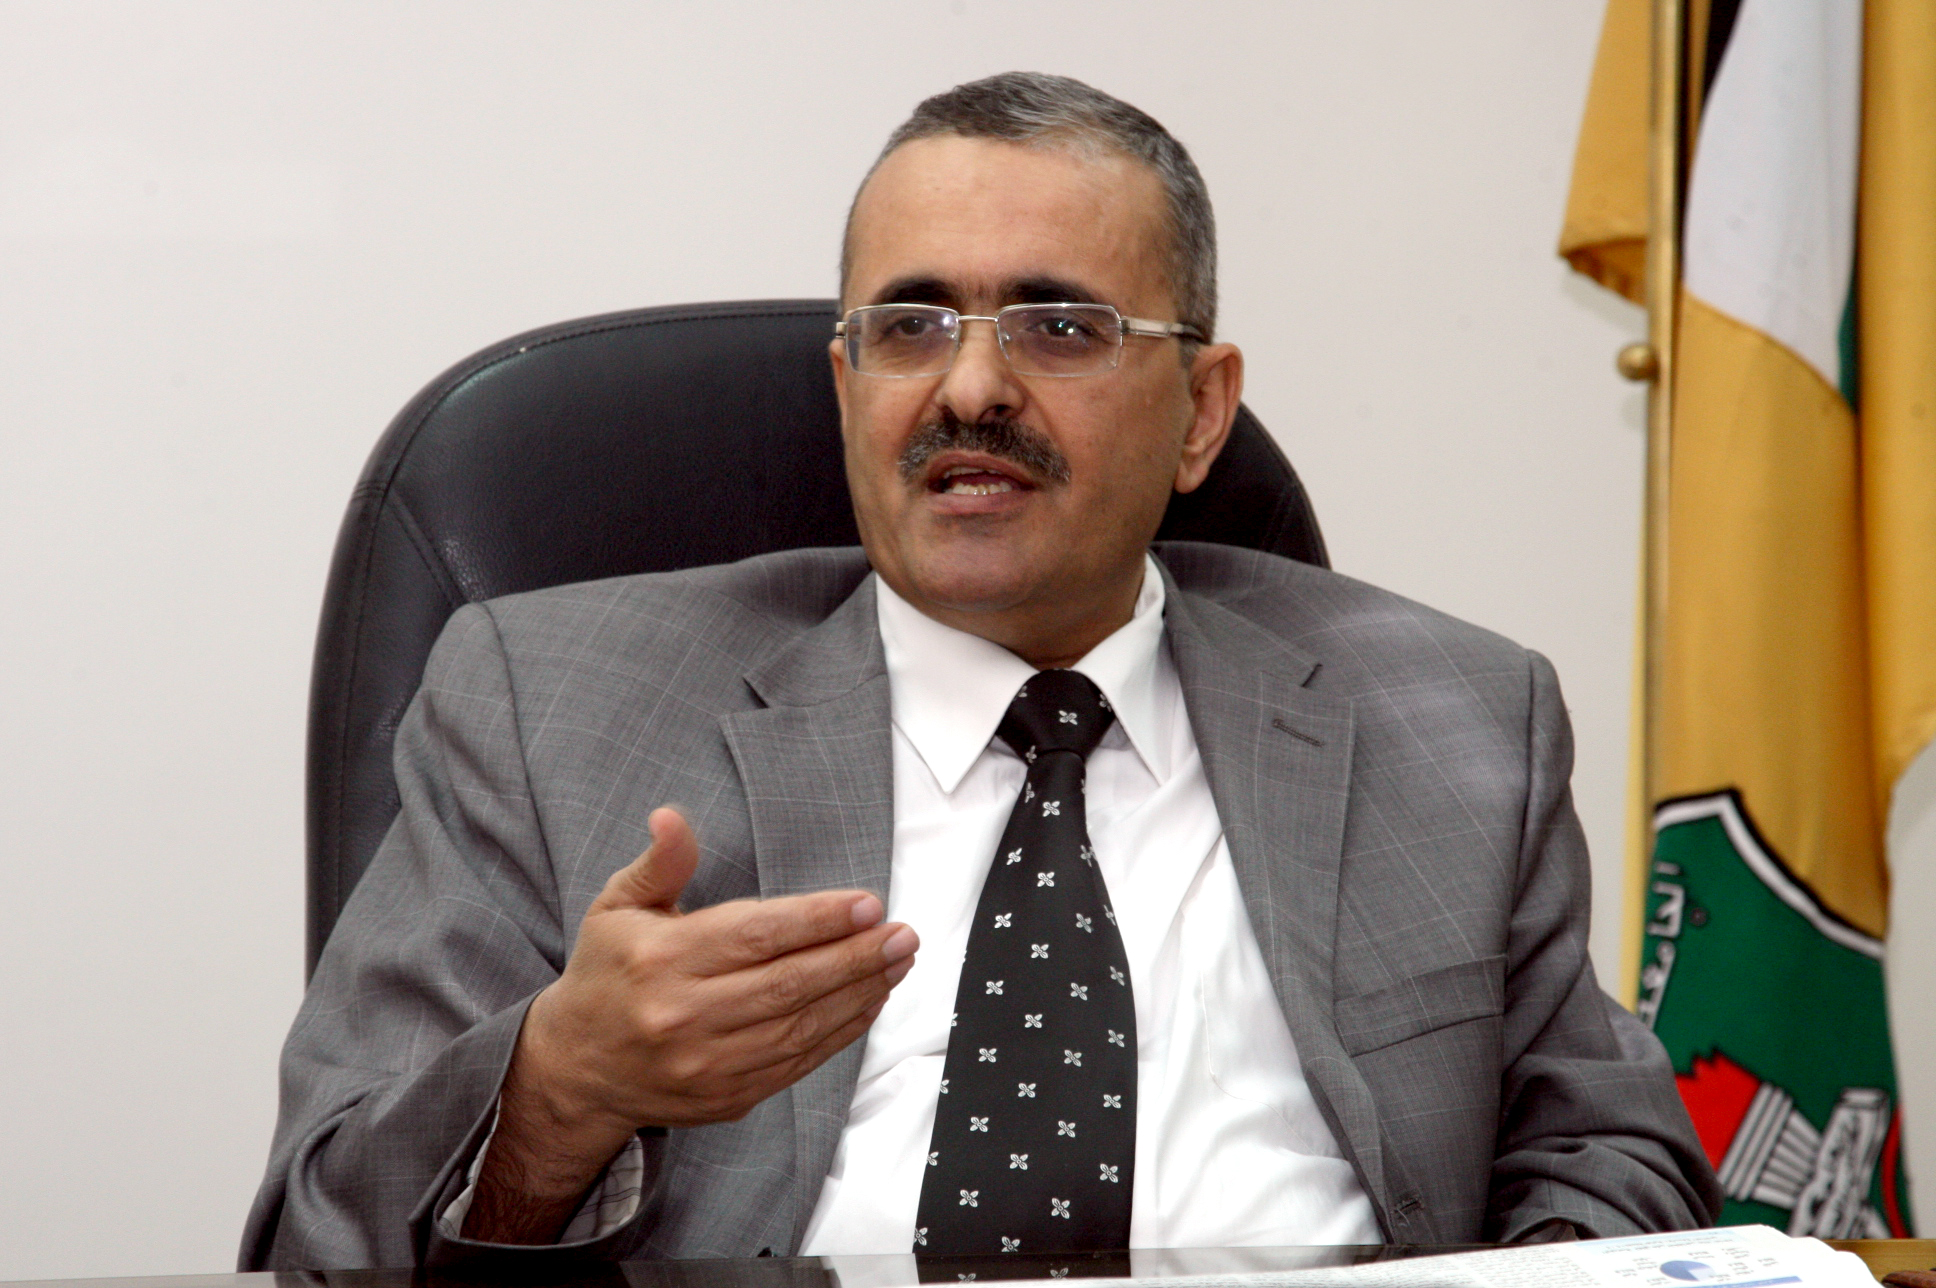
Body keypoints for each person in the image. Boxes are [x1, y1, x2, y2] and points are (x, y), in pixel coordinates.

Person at [243, 72, 1719, 1272]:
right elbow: (318, 1236)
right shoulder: (548, 705)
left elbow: (1614, 1159)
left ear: (1202, 413)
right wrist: (559, 1093)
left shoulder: (1457, 717)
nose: (968, 386)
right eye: (910, 326)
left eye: (1059, 326)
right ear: (847, 388)